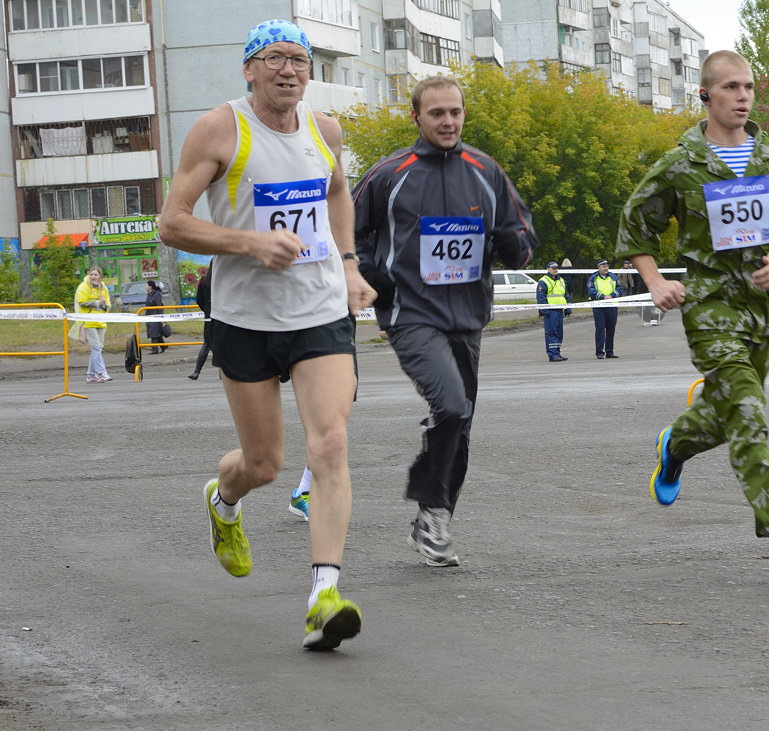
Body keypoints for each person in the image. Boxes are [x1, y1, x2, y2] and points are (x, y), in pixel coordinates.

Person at [158, 19, 376, 651]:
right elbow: (172, 223)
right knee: (264, 464)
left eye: (301, 61)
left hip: (319, 310)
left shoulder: (324, 129)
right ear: (249, 70)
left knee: (330, 442)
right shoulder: (219, 129)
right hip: (245, 317)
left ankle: (324, 595)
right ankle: (222, 501)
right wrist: (248, 242)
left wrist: (348, 263)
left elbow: (337, 192)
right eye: (276, 59)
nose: (290, 71)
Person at [615, 49, 769, 582]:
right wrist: (657, 282)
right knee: (749, 413)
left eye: (749, 87)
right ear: (706, 96)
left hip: (765, 308)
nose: (743, 96)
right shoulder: (681, 164)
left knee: (727, 412)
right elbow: (634, 225)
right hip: (711, 309)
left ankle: (676, 443)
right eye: (731, 87)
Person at [351, 74, 538, 568]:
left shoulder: (484, 169)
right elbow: (349, 233)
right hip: (410, 313)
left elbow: (518, 231)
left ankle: (435, 519)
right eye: (437, 113)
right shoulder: (389, 174)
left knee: (461, 422)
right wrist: (376, 280)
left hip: (468, 316)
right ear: (416, 117)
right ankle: (431, 506)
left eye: (455, 112)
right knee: (452, 407)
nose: (449, 121)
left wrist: (513, 244)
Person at [74, 266, 112, 383]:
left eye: (95, 275)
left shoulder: (103, 288)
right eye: (91, 275)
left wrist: (104, 304)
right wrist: (97, 303)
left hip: (101, 322)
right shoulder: (83, 286)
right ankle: (102, 373)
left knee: (97, 349)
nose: (93, 277)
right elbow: (81, 303)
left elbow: (108, 305)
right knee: (96, 347)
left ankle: (90, 375)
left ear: (100, 276)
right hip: (89, 321)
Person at [587, 259, 623, 358]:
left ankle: (609, 351)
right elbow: (591, 291)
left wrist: (612, 296)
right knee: (600, 329)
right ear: (599, 267)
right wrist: (603, 297)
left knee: (611, 329)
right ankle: (599, 352)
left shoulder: (613, 277)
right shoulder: (593, 278)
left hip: (612, 306)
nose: (606, 268)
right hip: (599, 307)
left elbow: (619, 289)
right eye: (603, 266)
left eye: (607, 266)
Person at [537, 262, 571, 361]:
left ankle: (557, 352)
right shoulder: (543, 281)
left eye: (556, 268)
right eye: (553, 268)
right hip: (550, 311)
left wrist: (568, 307)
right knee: (551, 332)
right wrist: (544, 310)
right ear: (548, 269)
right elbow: (541, 297)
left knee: (559, 332)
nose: (555, 270)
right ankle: (552, 354)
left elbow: (566, 295)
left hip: (559, 310)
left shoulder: (561, 280)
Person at [188, 267, 217, 379]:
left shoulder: (204, 280)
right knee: (223, 343)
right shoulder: (220, 280)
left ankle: (196, 372)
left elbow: (199, 300)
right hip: (222, 313)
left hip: (209, 312)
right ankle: (223, 373)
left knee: (206, 344)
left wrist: (206, 309)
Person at [144, 280, 166, 354]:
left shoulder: (156, 294)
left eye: (146, 285)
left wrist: (161, 317)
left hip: (155, 315)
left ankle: (155, 349)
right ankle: (163, 346)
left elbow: (159, 306)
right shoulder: (149, 294)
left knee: (154, 332)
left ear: (150, 286)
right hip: (149, 316)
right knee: (154, 332)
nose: (145, 287)